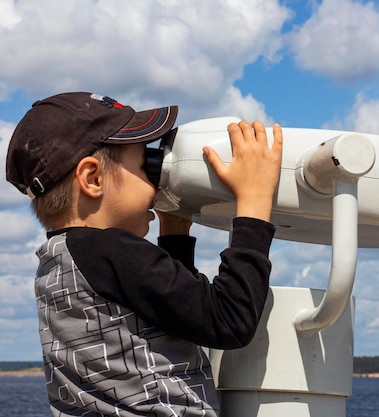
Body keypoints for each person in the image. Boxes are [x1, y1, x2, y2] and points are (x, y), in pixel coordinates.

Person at [5, 92, 283, 416]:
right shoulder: (112, 251)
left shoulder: (58, 263)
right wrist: (254, 203)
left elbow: (169, 315)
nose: (154, 184)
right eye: (143, 164)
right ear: (93, 178)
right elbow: (229, 319)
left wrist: (175, 234)